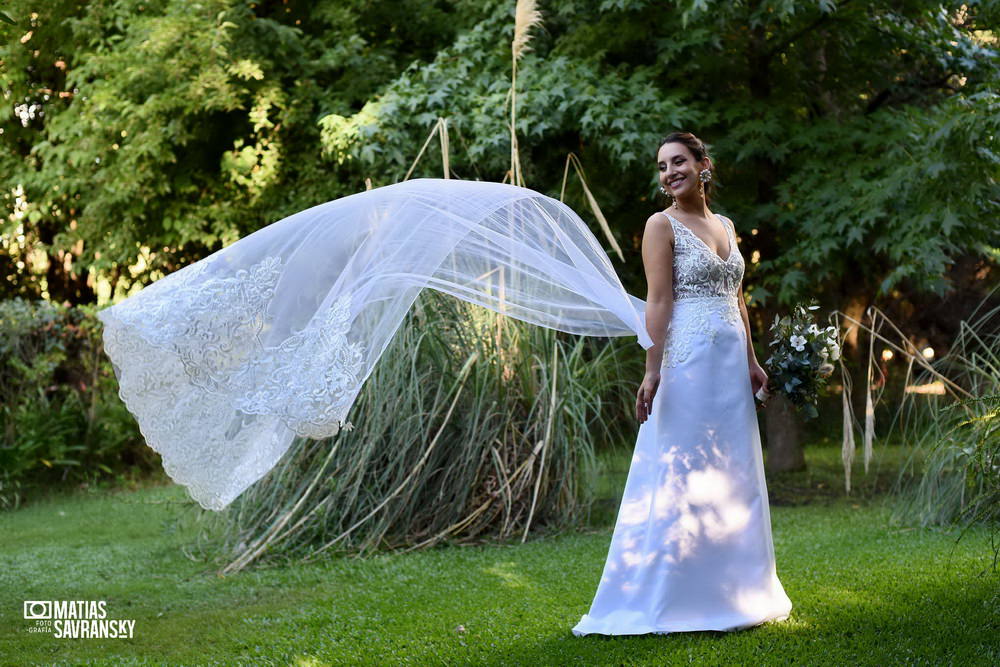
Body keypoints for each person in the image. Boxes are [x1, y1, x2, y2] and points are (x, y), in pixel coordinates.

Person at [571, 132, 793, 636]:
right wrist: (653, 369)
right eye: (662, 166)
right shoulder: (659, 224)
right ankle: (672, 597)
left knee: (731, 472)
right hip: (687, 362)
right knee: (680, 470)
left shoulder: (728, 225)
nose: (670, 172)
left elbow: (737, 299)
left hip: (729, 363)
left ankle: (737, 591)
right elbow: (659, 302)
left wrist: (753, 362)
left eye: (679, 162)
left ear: (703, 165)